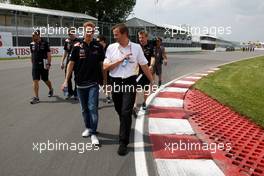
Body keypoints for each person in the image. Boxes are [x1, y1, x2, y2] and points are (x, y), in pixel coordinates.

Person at [103, 23, 154, 156]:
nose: (114, 37)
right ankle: (125, 124)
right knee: (119, 109)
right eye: (114, 34)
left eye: (116, 34)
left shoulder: (136, 48)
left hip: (130, 82)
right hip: (115, 81)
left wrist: (152, 81)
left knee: (126, 112)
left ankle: (123, 142)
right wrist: (119, 61)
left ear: (124, 34)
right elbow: (105, 67)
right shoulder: (111, 47)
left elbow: (144, 65)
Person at [61, 21, 105, 145]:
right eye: (87, 30)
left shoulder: (98, 46)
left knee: (92, 108)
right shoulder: (76, 45)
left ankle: (93, 133)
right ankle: (88, 127)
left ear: (94, 31)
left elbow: (102, 65)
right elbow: (71, 64)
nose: (89, 32)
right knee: (84, 109)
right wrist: (65, 81)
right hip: (79, 84)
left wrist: (105, 82)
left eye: (91, 30)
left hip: (93, 83)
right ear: (84, 31)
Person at [30, 30, 54, 104]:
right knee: (35, 80)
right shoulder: (31, 44)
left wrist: (49, 63)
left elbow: (49, 54)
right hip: (35, 65)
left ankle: (51, 89)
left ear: (39, 35)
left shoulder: (45, 43)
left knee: (45, 79)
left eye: (35, 35)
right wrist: (32, 63)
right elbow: (32, 54)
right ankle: (36, 97)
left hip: (44, 64)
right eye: (33, 35)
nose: (34, 37)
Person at [134, 30, 155, 111]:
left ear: (146, 37)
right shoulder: (136, 46)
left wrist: (151, 65)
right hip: (137, 71)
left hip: (146, 70)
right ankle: (134, 104)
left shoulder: (150, 46)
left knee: (146, 88)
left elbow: (153, 57)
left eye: (142, 37)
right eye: (139, 37)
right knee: (135, 87)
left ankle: (144, 102)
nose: (141, 39)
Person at [60, 27, 80, 100]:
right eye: (69, 34)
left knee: (77, 78)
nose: (70, 35)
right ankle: (70, 92)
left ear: (74, 33)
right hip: (69, 61)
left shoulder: (79, 41)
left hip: (77, 62)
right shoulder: (67, 41)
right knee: (67, 77)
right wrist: (62, 62)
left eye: (72, 33)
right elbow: (65, 52)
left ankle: (76, 93)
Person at [96, 35, 111, 104]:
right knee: (101, 83)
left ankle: (108, 96)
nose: (97, 42)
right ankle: (106, 93)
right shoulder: (97, 48)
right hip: (99, 67)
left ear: (103, 41)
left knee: (108, 82)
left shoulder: (110, 48)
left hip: (109, 67)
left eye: (98, 41)